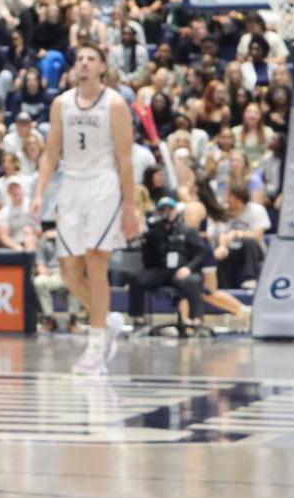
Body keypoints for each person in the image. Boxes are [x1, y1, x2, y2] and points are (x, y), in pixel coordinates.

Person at [33, 45, 141, 374]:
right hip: (71, 186)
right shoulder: (61, 103)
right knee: (67, 273)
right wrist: (40, 192)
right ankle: (106, 320)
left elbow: (124, 159)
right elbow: (52, 154)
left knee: (96, 262)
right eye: (79, 58)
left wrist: (130, 208)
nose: (83, 62)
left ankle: (95, 347)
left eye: (90, 59)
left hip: (103, 184)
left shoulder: (116, 104)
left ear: (102, 67)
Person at [129, 198, 207, 325]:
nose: (167, 213)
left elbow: (201, 255)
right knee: (136, 278)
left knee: (191, 282)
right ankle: (138, 317)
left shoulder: (188, 231)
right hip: (162, 271)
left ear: (175, 211)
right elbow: (148, 260)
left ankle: (196, 319)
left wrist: (188, 268)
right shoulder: (154, 233)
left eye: (170, 210)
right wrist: (147, 242)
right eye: (163, 210)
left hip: (183, 271)